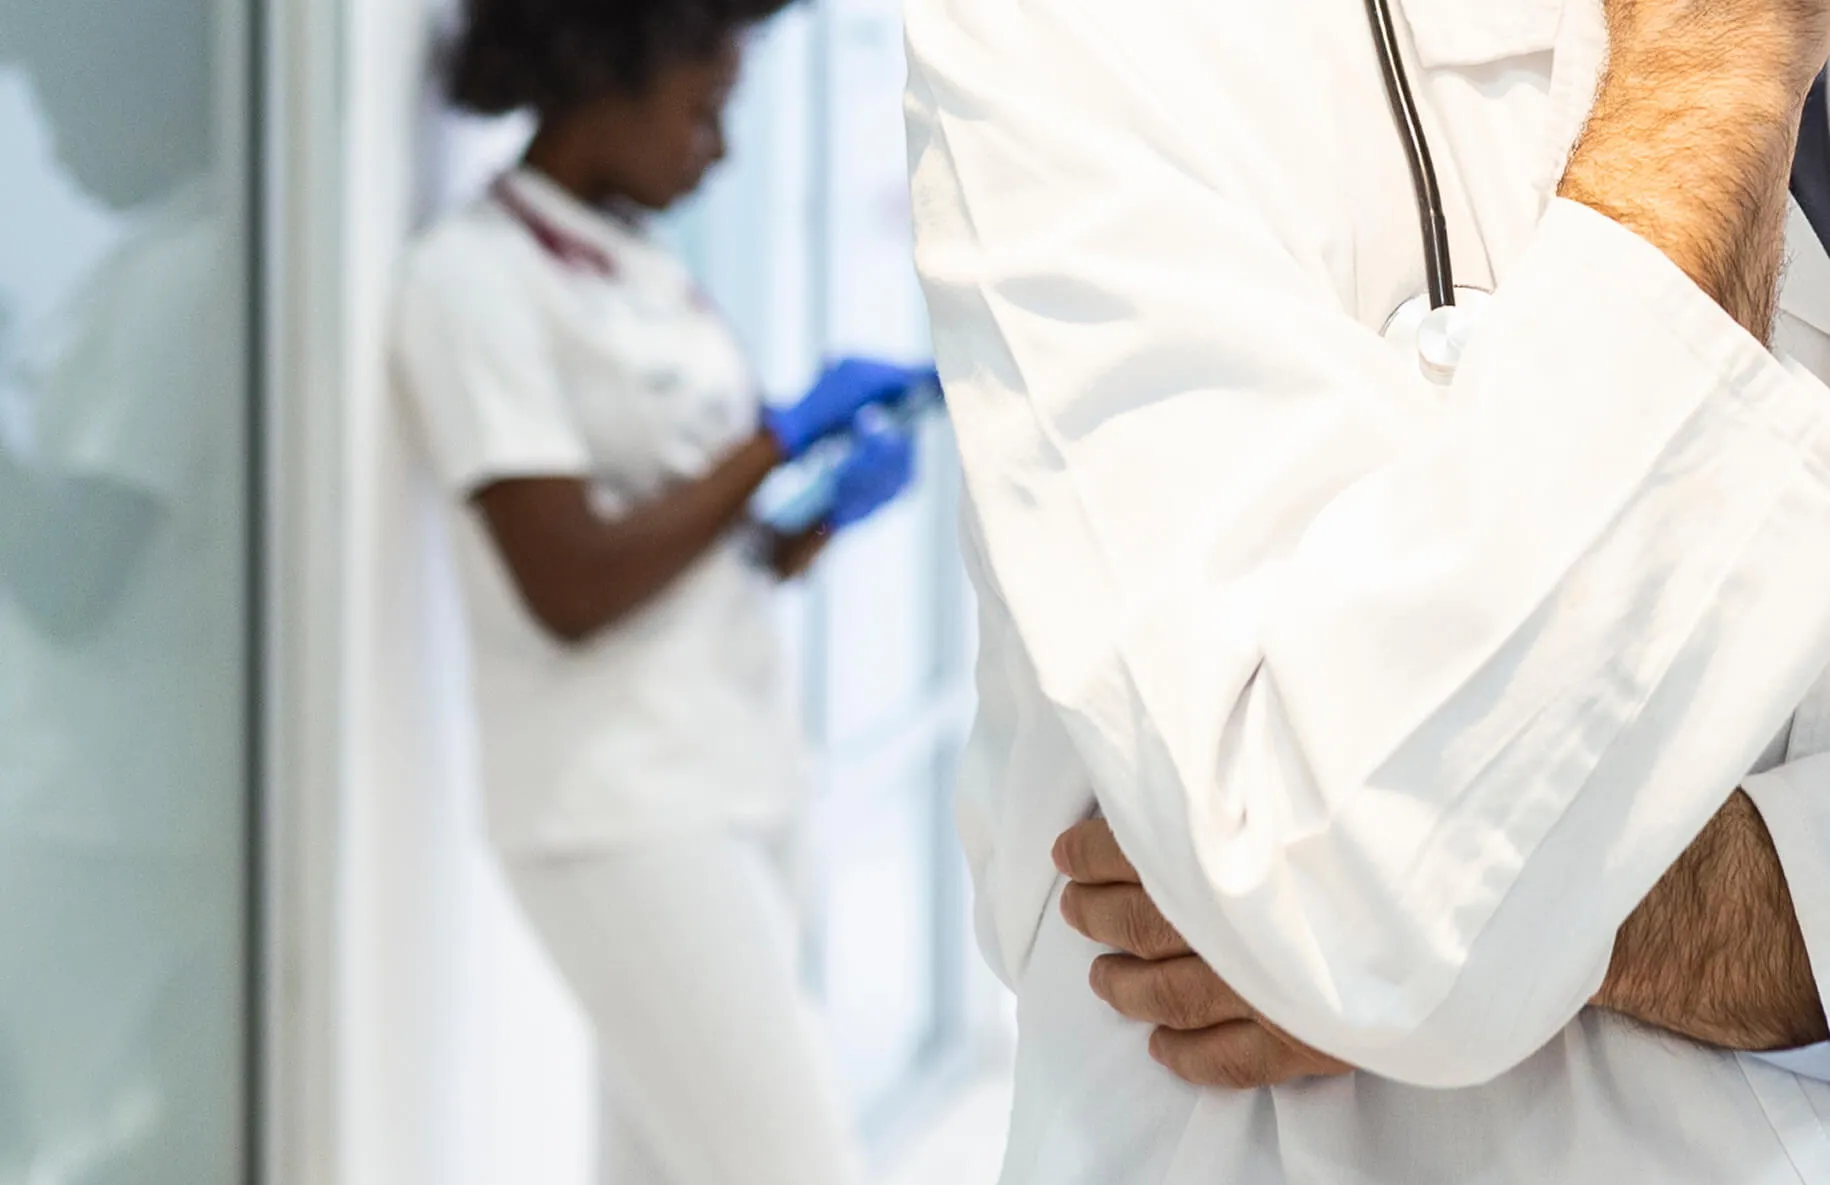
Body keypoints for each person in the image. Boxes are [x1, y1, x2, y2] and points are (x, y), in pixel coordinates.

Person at [907, 0, 1830, 1180]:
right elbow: (1372, 900)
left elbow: (1375, 913)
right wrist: (1714, 70)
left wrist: (1576, 906)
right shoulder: (1070, 34)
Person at [392, 2, 932, 1182]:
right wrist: (774, 439)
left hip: (731, 769)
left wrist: (811, 521)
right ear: (611, 73)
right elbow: (567, 582)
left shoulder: (640, 266)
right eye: (706, 107)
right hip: (619, 808)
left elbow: (690, 546)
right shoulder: (471, 280)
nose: (721, 147)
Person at [0, 0, 244, 1180]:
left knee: (48, 1129)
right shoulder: (184, 259)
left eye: (65, 113)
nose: (52, 150)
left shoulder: (183, 283)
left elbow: (71, 579)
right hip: (139, 798)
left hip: (99, 818)